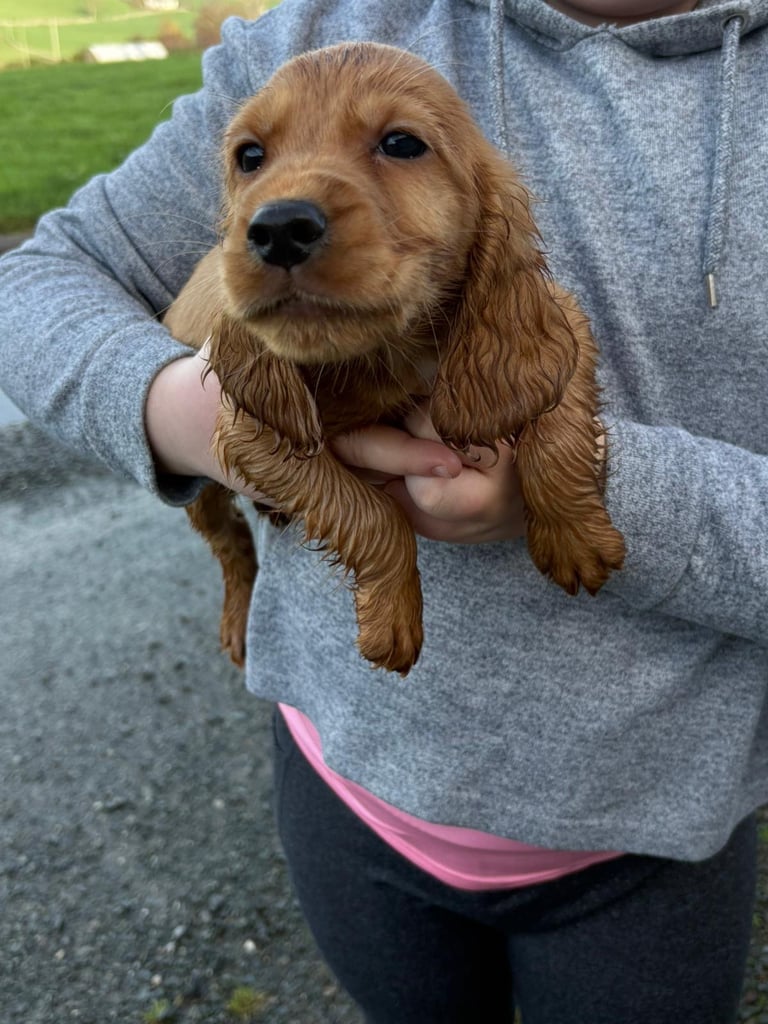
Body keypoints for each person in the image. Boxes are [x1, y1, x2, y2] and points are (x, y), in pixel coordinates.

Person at [1, 0, 766, 1020]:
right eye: (254, 159)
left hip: (656, 838)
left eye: (399, 146)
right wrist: (194, 417)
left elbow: (546, 355)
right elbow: (32, 285)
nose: (285, 204)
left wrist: (586, 485)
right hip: (346, 793)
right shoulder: (314, 31)